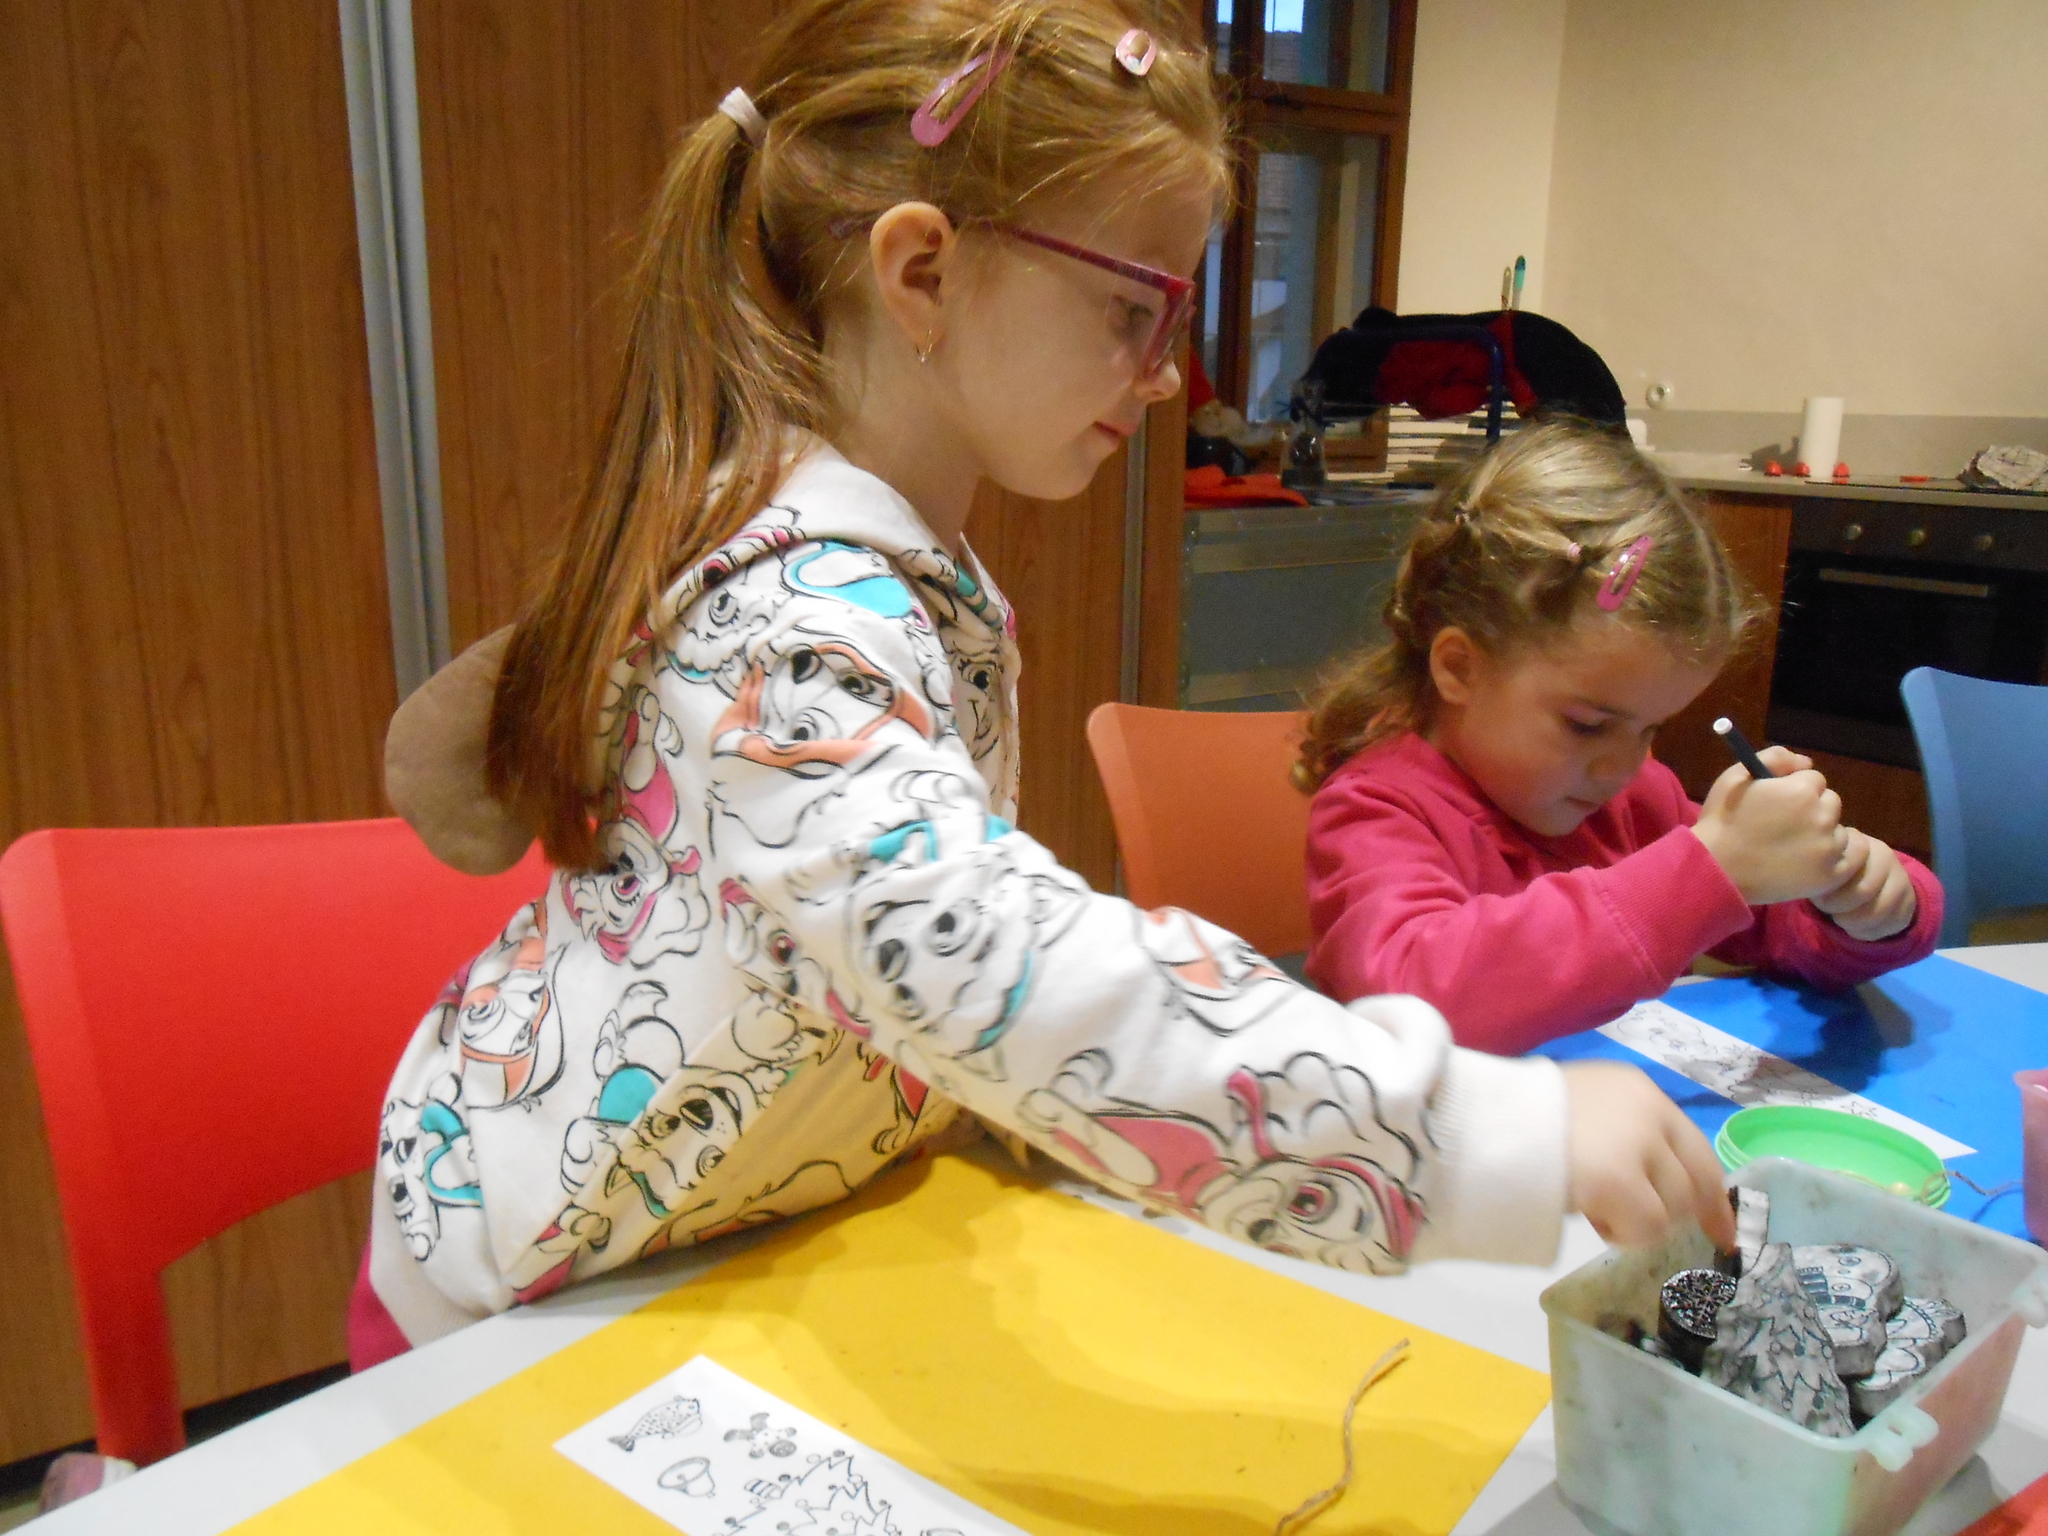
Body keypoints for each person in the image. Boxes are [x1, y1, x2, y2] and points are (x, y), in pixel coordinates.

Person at [355, 0, 1733, 1367]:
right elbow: (993, 960)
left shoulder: (897, 568)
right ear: (922, 273)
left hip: (731, 1242)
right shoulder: (786, 624)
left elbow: (898, 963)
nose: (1166, 376)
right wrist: (1479, 1136)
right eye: (1133, 310)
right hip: (521, 1305)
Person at [1299, 422, 1943, 1056]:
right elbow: (1417, 999)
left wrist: (1859, 903)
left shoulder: (1632, 801)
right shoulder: (1377, 809)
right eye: (1588, 724)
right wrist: (1708, 872)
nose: (1621, 767)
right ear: (1460, 669)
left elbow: (1778, 925)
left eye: (1651, 727)